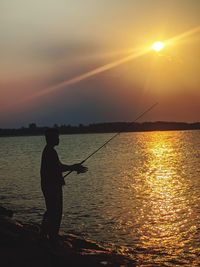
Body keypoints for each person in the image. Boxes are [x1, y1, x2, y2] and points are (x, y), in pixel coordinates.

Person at [40, 128, 87, 246]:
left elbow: (58, 166)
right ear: (51, 138)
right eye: (57, 137)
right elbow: (58, 168)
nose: (58, 139)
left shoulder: (49, 151)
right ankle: (52, 237)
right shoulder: (50, 151)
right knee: (55, 212)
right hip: (52, 186)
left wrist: (73, 167)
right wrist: (73, 167)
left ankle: (45, 234)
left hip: (50, 185)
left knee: (51, 211)